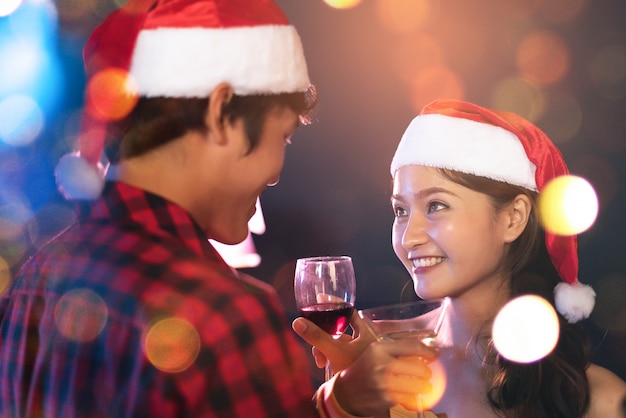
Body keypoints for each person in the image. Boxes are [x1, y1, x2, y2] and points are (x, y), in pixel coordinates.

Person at [0, 0, 437, 417]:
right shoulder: (222, 313)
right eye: (282, 137)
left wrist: (338, 404)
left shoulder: (39, 273)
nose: (275, 174)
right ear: (221, 112)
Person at [293, 99, 626, 417]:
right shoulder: (373, 359)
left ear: (513, 218)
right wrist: (346, 402)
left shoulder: (597, 398)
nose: (410, 237)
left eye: (436, 205)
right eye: (400, 210)